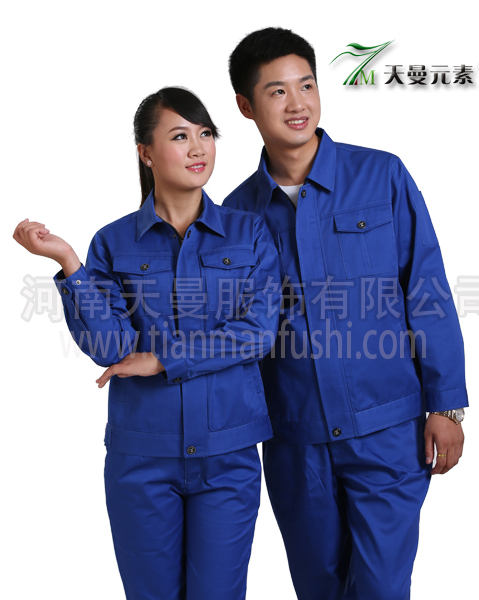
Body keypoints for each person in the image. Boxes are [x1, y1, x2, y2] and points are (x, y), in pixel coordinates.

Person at [223, 28, 468, 600]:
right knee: (320, 588)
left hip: (388, 429)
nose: (298, 103)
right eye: (277, 91)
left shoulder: (381, 176)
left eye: (306, 85)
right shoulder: (236, 215)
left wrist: (446, 403)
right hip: (295, 440)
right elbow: (233, 336)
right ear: (246, 106)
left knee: (381, 588)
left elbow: (426, 290)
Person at [13, 86, 282, 600]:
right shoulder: (113, 242)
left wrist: (162, 359)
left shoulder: (249, 234)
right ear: (146, 153)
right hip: (142, 458)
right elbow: (111, 347)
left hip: (227, 456)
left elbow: (257, 333)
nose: (198, 148)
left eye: (206, 134)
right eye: (180, 136)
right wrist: (70, 264)